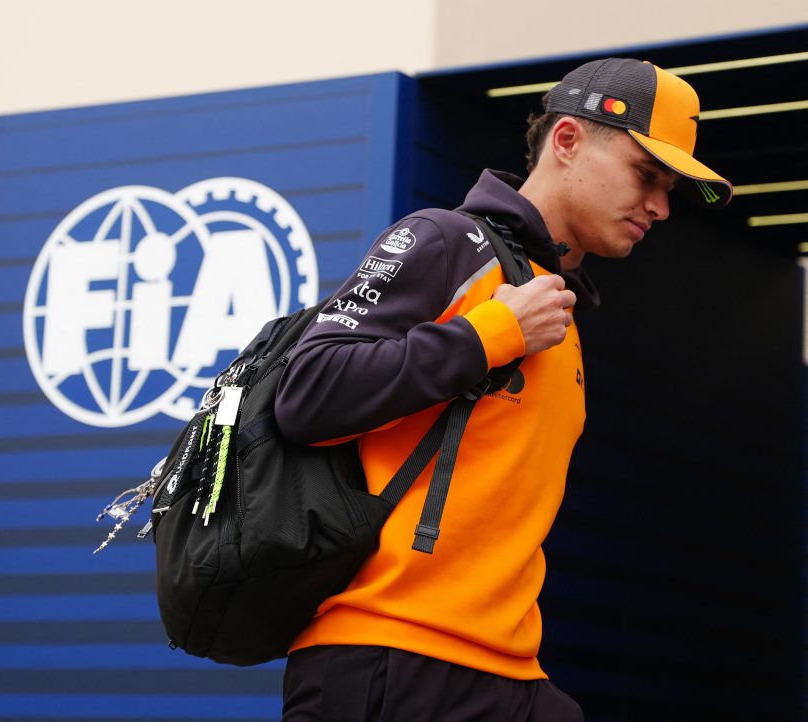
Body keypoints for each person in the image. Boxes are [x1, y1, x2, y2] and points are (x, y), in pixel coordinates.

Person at [274, 57, 731, 721]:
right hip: (389, 657)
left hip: (507, 671)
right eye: (646, 175)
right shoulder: (446, 242)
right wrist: (488, 334)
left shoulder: (557, 306)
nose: (660, 208)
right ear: (567, 140)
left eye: (670, 190)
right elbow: (306, 394)